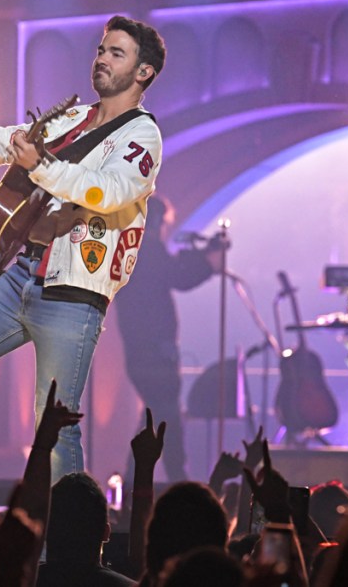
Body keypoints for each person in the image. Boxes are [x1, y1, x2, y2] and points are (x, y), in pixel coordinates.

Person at [0, 15, 167, 480]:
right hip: (22, 276)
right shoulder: (74, 117)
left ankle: (66, 546)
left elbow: (105, 191)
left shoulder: (142, 137)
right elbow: (9, 137)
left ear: (143, 72)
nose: (101, 59)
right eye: (101, 49)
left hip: (74, 293)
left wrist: (41, 167)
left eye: (117, 53)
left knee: (54, 425)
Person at [114, 194, 223, 482]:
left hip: (141, 351)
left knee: (153, 417)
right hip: (155, 352)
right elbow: (178, 276)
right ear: (158, 221)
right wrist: (208, 263)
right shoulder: (147, 249)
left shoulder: (130, 249)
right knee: (168, 417)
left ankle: (132, 487)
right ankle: (178, 482)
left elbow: (172, 271)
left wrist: (201, 259)